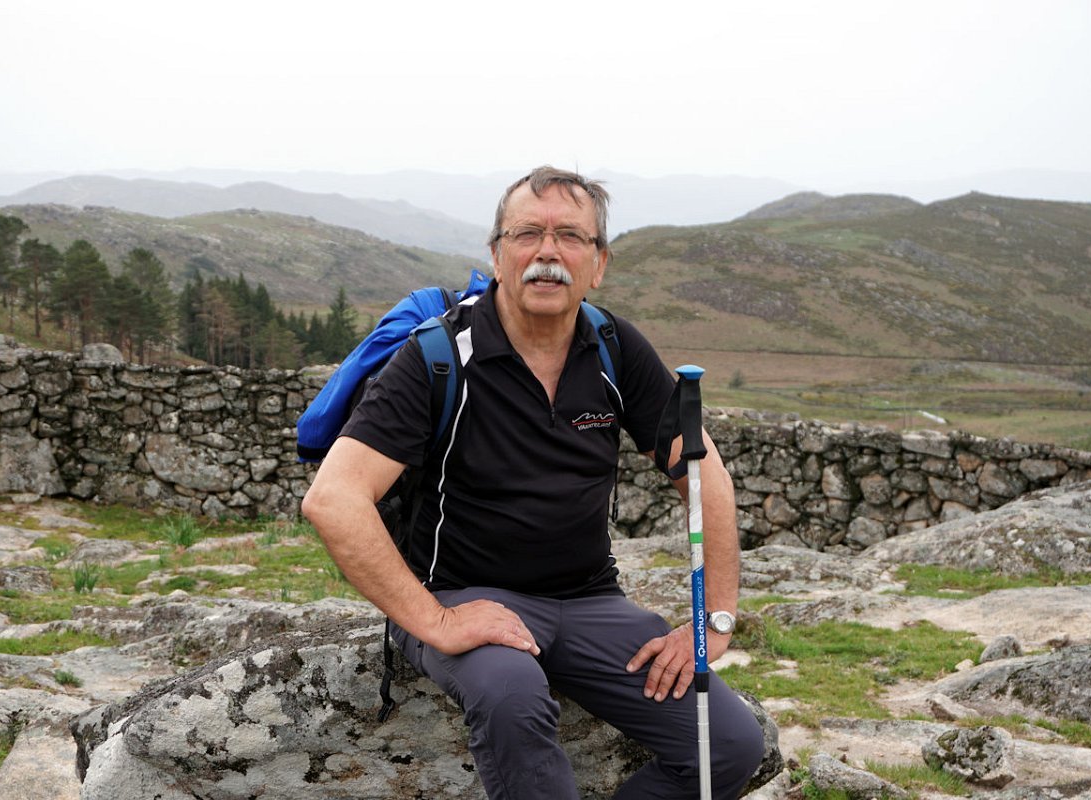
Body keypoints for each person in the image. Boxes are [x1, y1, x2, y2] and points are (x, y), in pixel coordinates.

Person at [302, 166, 764, 799]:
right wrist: (436, 621)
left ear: (598, 263)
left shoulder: (613, 347)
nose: (548, 252)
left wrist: (713, 621)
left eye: (570, 236)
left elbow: (704, 474)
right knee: (512, 697)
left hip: (590, 600)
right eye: (527, 234)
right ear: (497, 255)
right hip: (461, 592)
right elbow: (334, 498)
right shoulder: (439, 356)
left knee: (729, 746)